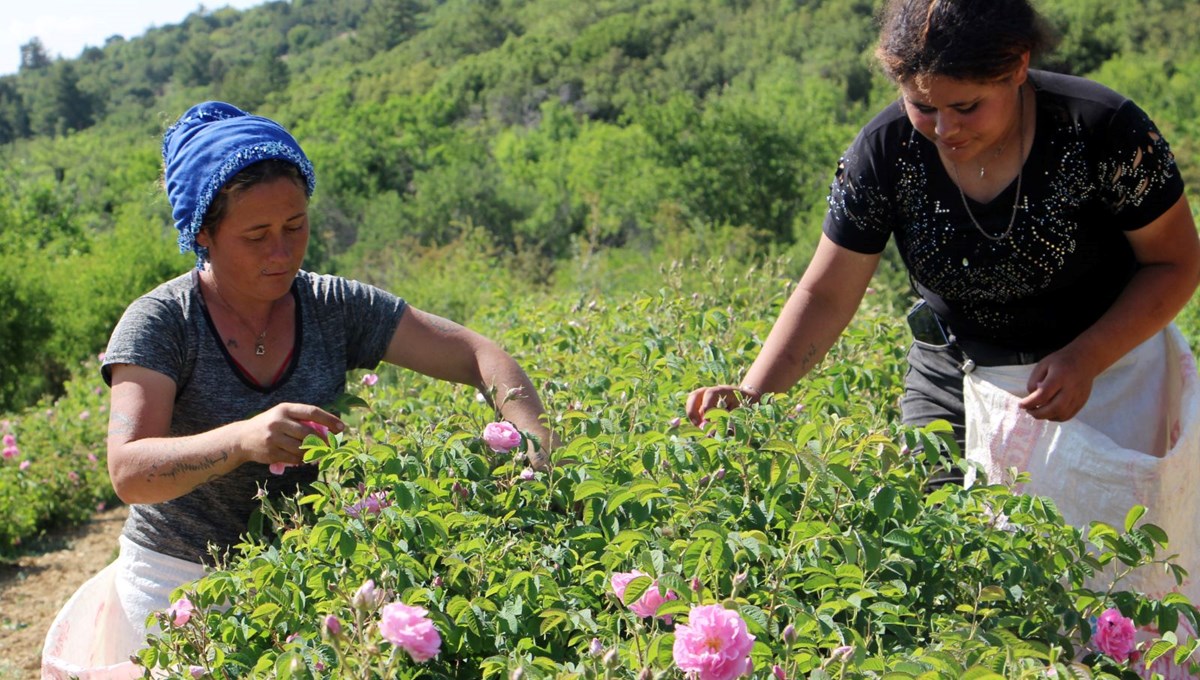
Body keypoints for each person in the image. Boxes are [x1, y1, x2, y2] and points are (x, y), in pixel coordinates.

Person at [92, 101, 558, 644]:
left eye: (295, 225)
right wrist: (243, 440)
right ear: (202, 235)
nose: (282, 251)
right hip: (176, 580)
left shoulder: (332, 305)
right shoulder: (162, 322)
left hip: (307, 567)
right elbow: (129, 471)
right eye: (255, 235)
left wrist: (536, 445)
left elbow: (479, 355)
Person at [685, 0, 1200, 476]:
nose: (944, 128)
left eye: (967, 106)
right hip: (956, 378)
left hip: (1110, 375)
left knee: (1107, 563)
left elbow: (1176, 263)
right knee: (940, 549)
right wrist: (753, 394)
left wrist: (1088, 356)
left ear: (1018, 67)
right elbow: (825, 294)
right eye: (923, 107)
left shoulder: (1102, 130)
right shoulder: (885, 152)